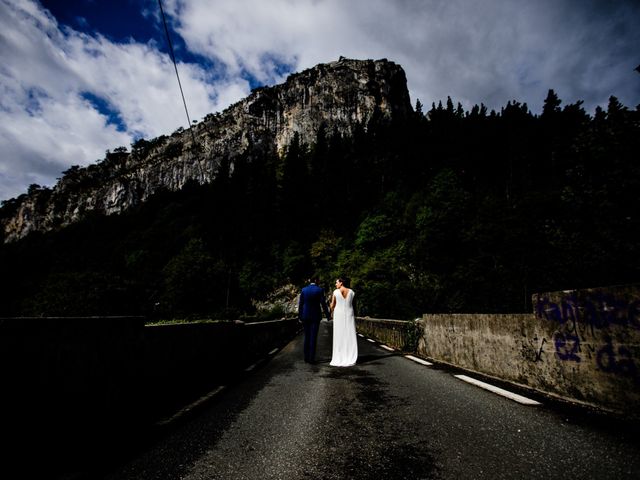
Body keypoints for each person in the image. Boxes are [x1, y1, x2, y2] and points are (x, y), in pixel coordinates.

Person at [298, 276, 331, 363]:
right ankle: (312, 358)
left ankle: (306, 357)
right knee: (313, 337)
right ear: (316, 281)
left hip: (305, 316)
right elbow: (323, 303)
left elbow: (301, 304)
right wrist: (328, 315)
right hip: (315, 316)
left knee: (307, 337)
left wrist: (300, 316)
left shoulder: (304, 290)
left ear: (310, 281)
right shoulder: (320, 290)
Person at [329, 277, 358, 367]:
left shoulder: (336, 292)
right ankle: (350, 355)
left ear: (341, 283)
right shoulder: (352, 292)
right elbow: (353, 304)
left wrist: (329, 305)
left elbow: (332, 306)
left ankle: (340, 355)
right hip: (349, 313)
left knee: (339, 334)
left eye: (336, 282)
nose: (335, 284)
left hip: (339, 315)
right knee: (349, 334)